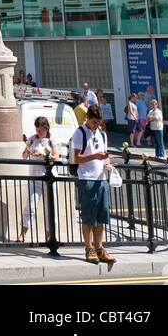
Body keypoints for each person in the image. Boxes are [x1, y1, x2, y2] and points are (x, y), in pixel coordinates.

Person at [72, 102, 115, 265]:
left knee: (101, 216)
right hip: (87, 179)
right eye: (94, 122)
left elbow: (105, 155)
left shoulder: (102, 134)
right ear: (87, 118)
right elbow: (76, 158)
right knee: (89, 217)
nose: (96, 126)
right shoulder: (80, 133)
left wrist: (108, 163)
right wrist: (94, 157)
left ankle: (99, 247)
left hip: (101, 178)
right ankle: (88, 247)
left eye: (98, 123)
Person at [18, 116, 59, 241]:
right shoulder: (32, 139)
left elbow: (56, 157)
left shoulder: (52, 140)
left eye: (41, 129)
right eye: (37, 129)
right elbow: (24, 156)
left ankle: (49, 236)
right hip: (35, 176)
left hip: (49, 176)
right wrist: (29, 150)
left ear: (46, 128)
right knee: (31, 205)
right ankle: (23, 233)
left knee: (50, 207)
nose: (38, 132)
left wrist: (43, 155)